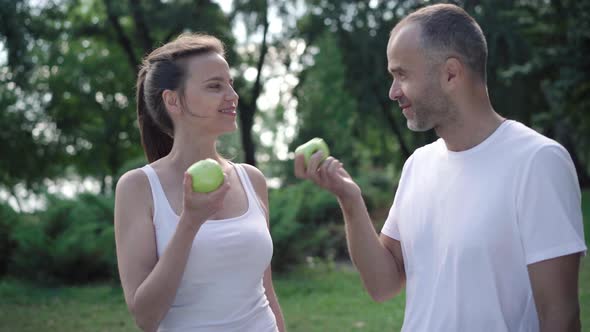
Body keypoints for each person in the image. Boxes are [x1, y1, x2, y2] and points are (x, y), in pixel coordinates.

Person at [294, 4, 586, 331]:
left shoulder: (537, 162)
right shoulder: (419, 165)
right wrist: (349, 199)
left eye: (401, 74)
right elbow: (382, 284)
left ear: (450, 73)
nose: (393, 92)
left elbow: (561, 317)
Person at [114, 33, 285, 332]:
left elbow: (266, 291)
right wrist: (189, 223)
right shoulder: (138, 188)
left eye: (230, 83)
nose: (232, 95)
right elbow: (145, 316)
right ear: (173, 100)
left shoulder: (252, 179)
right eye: (215, 86)